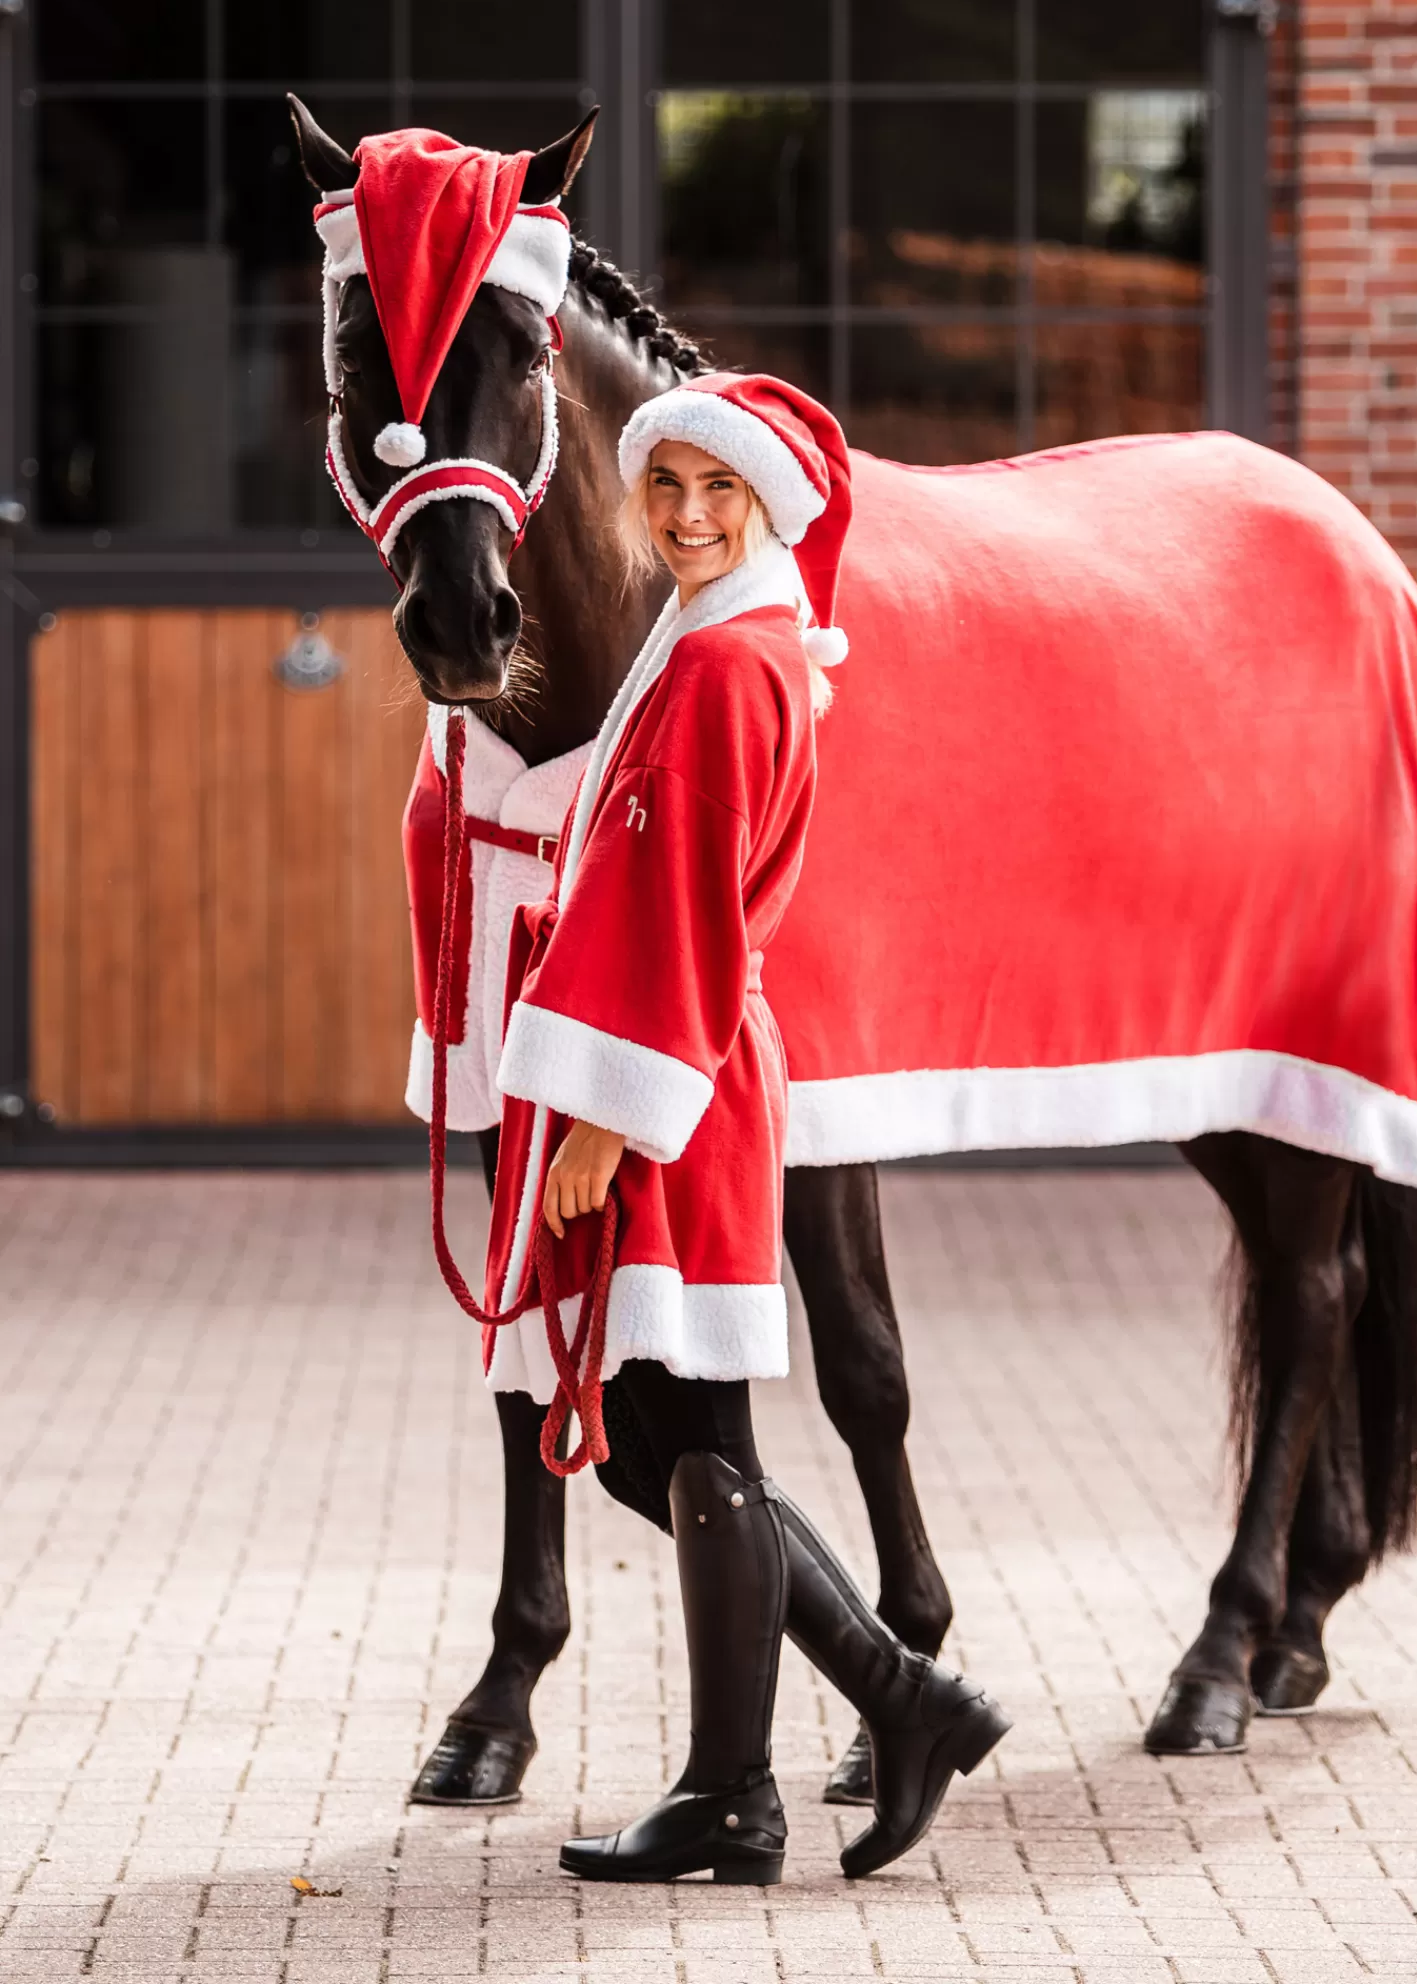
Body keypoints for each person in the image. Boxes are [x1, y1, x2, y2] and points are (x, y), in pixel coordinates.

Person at [481, 374, 1011, 1886]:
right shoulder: (713, 641)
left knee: (691, 1440)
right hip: (678, 1080)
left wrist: (609, 1123)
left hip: (676, 1092)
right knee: (656, 1450)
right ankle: (886, 1711)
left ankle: (755, 1781)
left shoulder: (728, 670)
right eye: (668, 490)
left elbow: (685, 922)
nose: (692, 516)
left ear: (770, 504)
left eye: (722, 491)